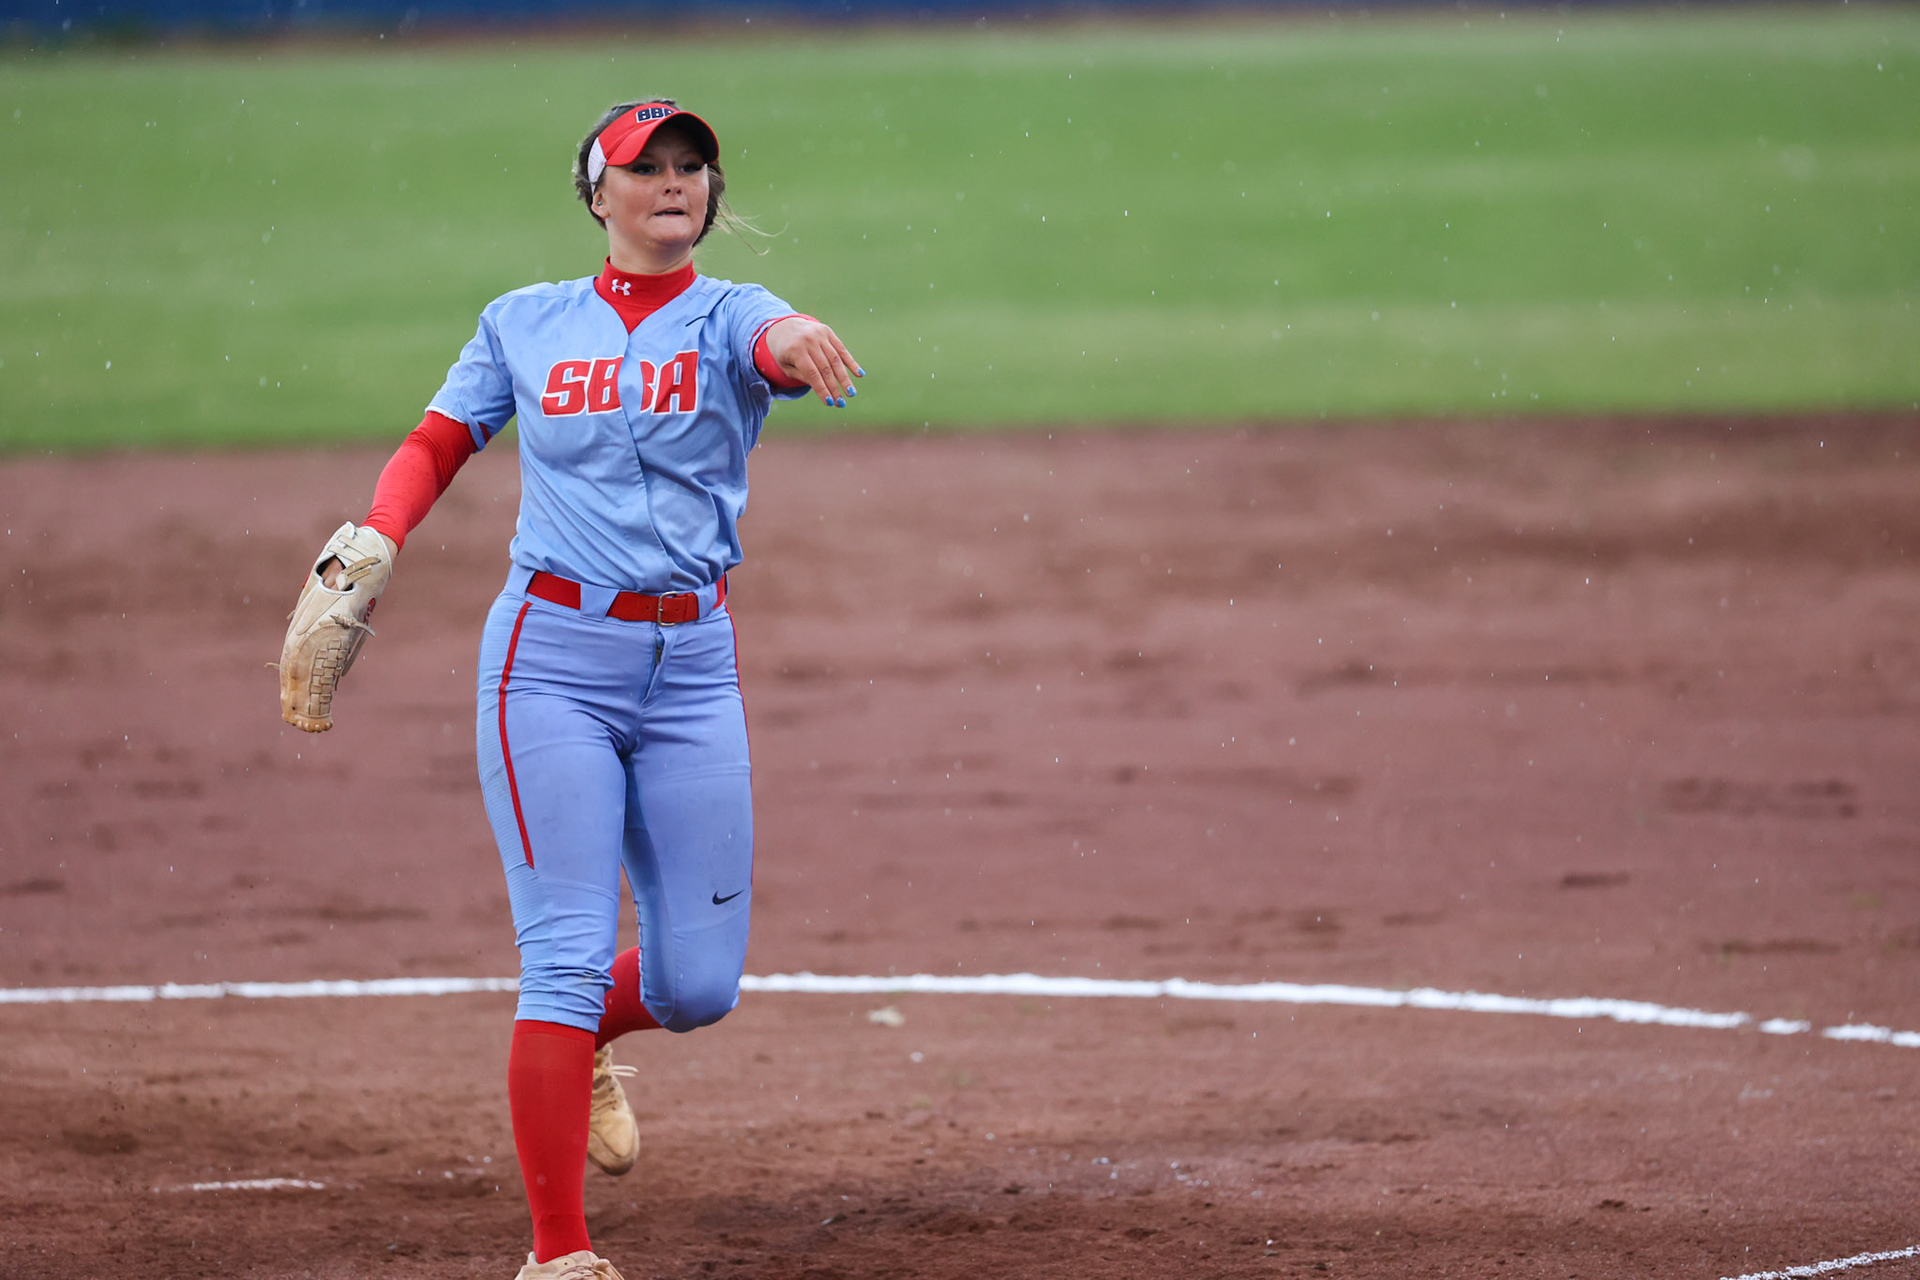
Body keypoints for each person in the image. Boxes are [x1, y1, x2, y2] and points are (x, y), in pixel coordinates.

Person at [306, 99, 862, 1280]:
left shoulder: (730, 317)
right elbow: (438, 441)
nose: (672, 182)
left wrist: (801, 333)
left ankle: (589, 1034)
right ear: (596, 192)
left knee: (697, 984)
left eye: (691, 167)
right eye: (642, 167)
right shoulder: (523, 324)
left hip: (692, 668)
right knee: (560, 952)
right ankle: (560, 1254)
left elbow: (773, 337)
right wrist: (378, 538)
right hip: (547, 662)